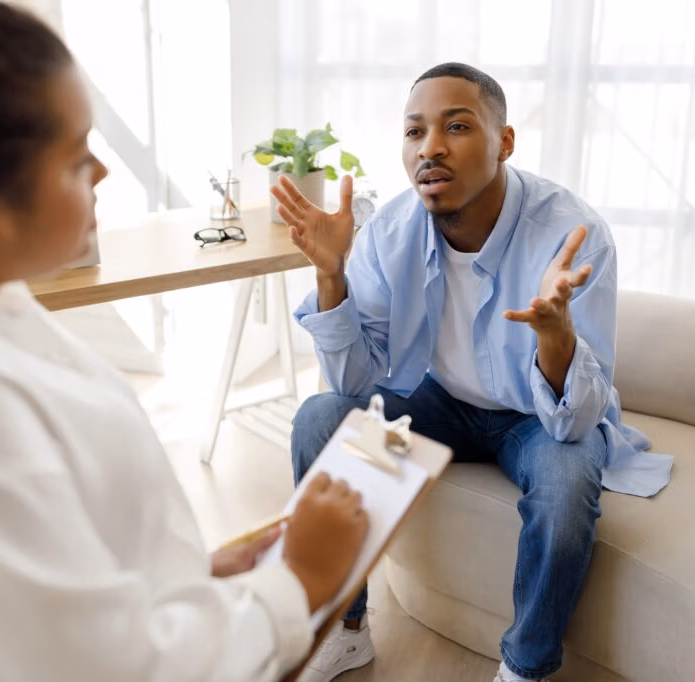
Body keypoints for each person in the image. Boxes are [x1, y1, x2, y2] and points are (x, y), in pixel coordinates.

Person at [0, 1, 370, 680]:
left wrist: (178, 582)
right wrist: (301, 580)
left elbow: (16, 586)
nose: (103, 174)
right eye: (78, 159)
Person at [272, 63, 674, 682]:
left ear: (504, 142)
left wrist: (556, 336)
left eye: (456, 126)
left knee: (566, 484)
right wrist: (333, 278)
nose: (430, 146)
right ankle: (346, 627)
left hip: (535, 417)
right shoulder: (389, 232)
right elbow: (353, 385)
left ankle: (525, 667)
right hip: (436, 406)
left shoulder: (572, 235)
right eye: (414, 132)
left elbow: (577, 419)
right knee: (319, 418)